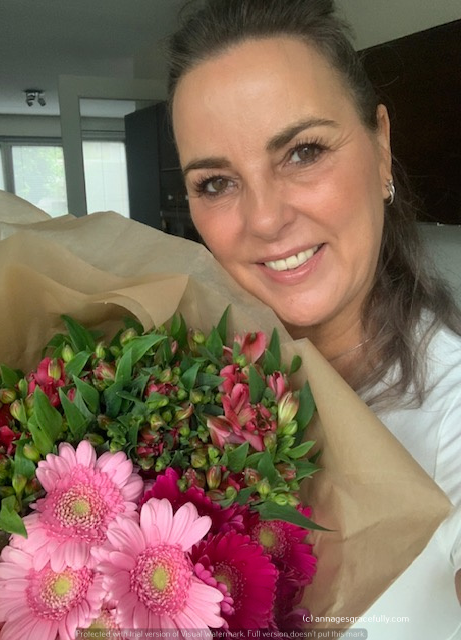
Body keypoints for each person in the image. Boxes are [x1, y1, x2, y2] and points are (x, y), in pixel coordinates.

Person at [165, 1, 461, 638]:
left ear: (381, 147)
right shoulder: (176, 397)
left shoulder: (452, 417)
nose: (265, 219)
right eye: (216, 183)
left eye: (303, 152)